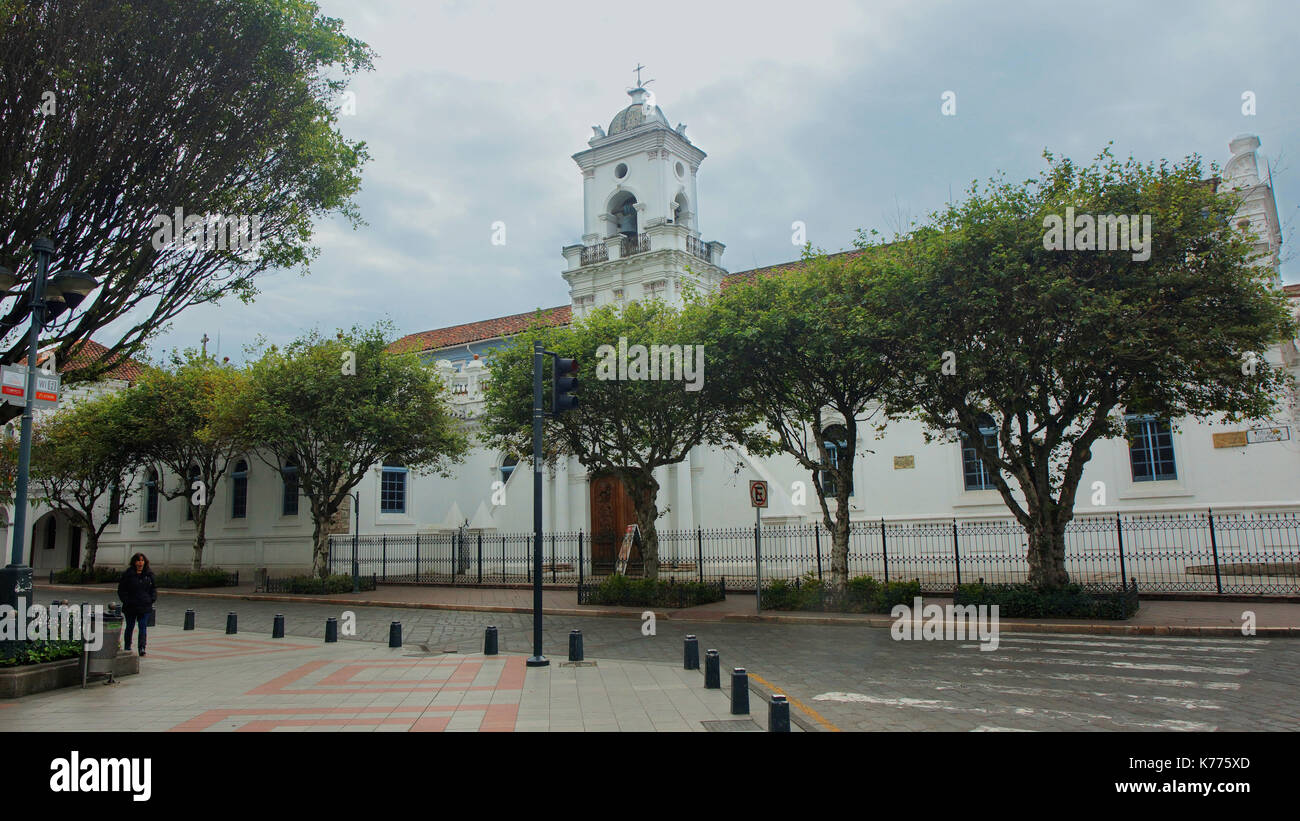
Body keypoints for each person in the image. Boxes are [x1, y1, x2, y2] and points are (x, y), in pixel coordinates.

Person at [117, 553, 156, 656]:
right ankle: (127, 646)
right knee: (130, 626)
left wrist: (151, 599)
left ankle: (142, 647)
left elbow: (153, 588)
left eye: (142, 560)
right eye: (138, 560)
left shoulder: (148, 574)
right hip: (131, 606)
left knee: (143, 626)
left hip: (144, 605)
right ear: (134, 562)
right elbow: (121, 590)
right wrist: (127, 601)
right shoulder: (128, 574)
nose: (140, 563)